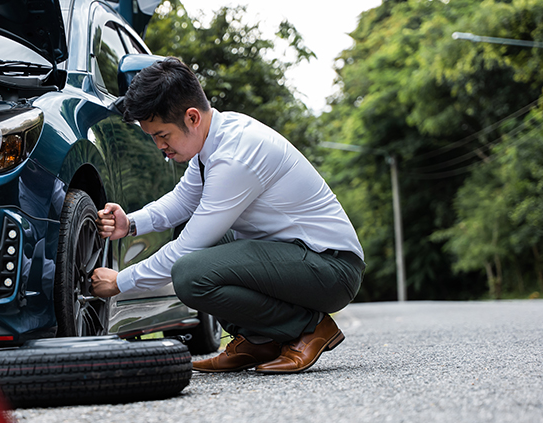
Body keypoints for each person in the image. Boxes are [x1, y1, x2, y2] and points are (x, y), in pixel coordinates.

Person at [90, 57, 365, 374]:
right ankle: (258, 340)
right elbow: (183, 200)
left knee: (190, 273)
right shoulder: (213, 138)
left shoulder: (236, 156)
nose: (159, 146)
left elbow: (188, 250)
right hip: (297, 258)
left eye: (162, 135)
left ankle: (308, 328)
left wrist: (121, 282)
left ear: (192, 117)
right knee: (200, 247)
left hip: (331, 267)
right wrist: (132, 223)